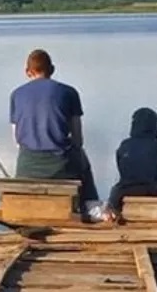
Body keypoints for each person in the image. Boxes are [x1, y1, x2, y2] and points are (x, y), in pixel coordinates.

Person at [9, 49, 109, 222]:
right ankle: (92, 207)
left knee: (23, 153)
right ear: (52, 69)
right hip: (61, 165)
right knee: (81, 159)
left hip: (27, 168)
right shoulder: (69, 92)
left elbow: (17, 139)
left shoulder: (16, 94)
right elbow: (78, 138)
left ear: (27, 72)